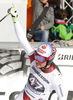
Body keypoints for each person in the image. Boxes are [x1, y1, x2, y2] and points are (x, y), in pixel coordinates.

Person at [7, 4, 68, 100]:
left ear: (49, 60)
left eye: (40, 58)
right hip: (24, 95)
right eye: (36, 56)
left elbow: (62, 97)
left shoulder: (55, 77)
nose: (36, 60)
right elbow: (22, 40)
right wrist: (15, 19)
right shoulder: (34, 57)